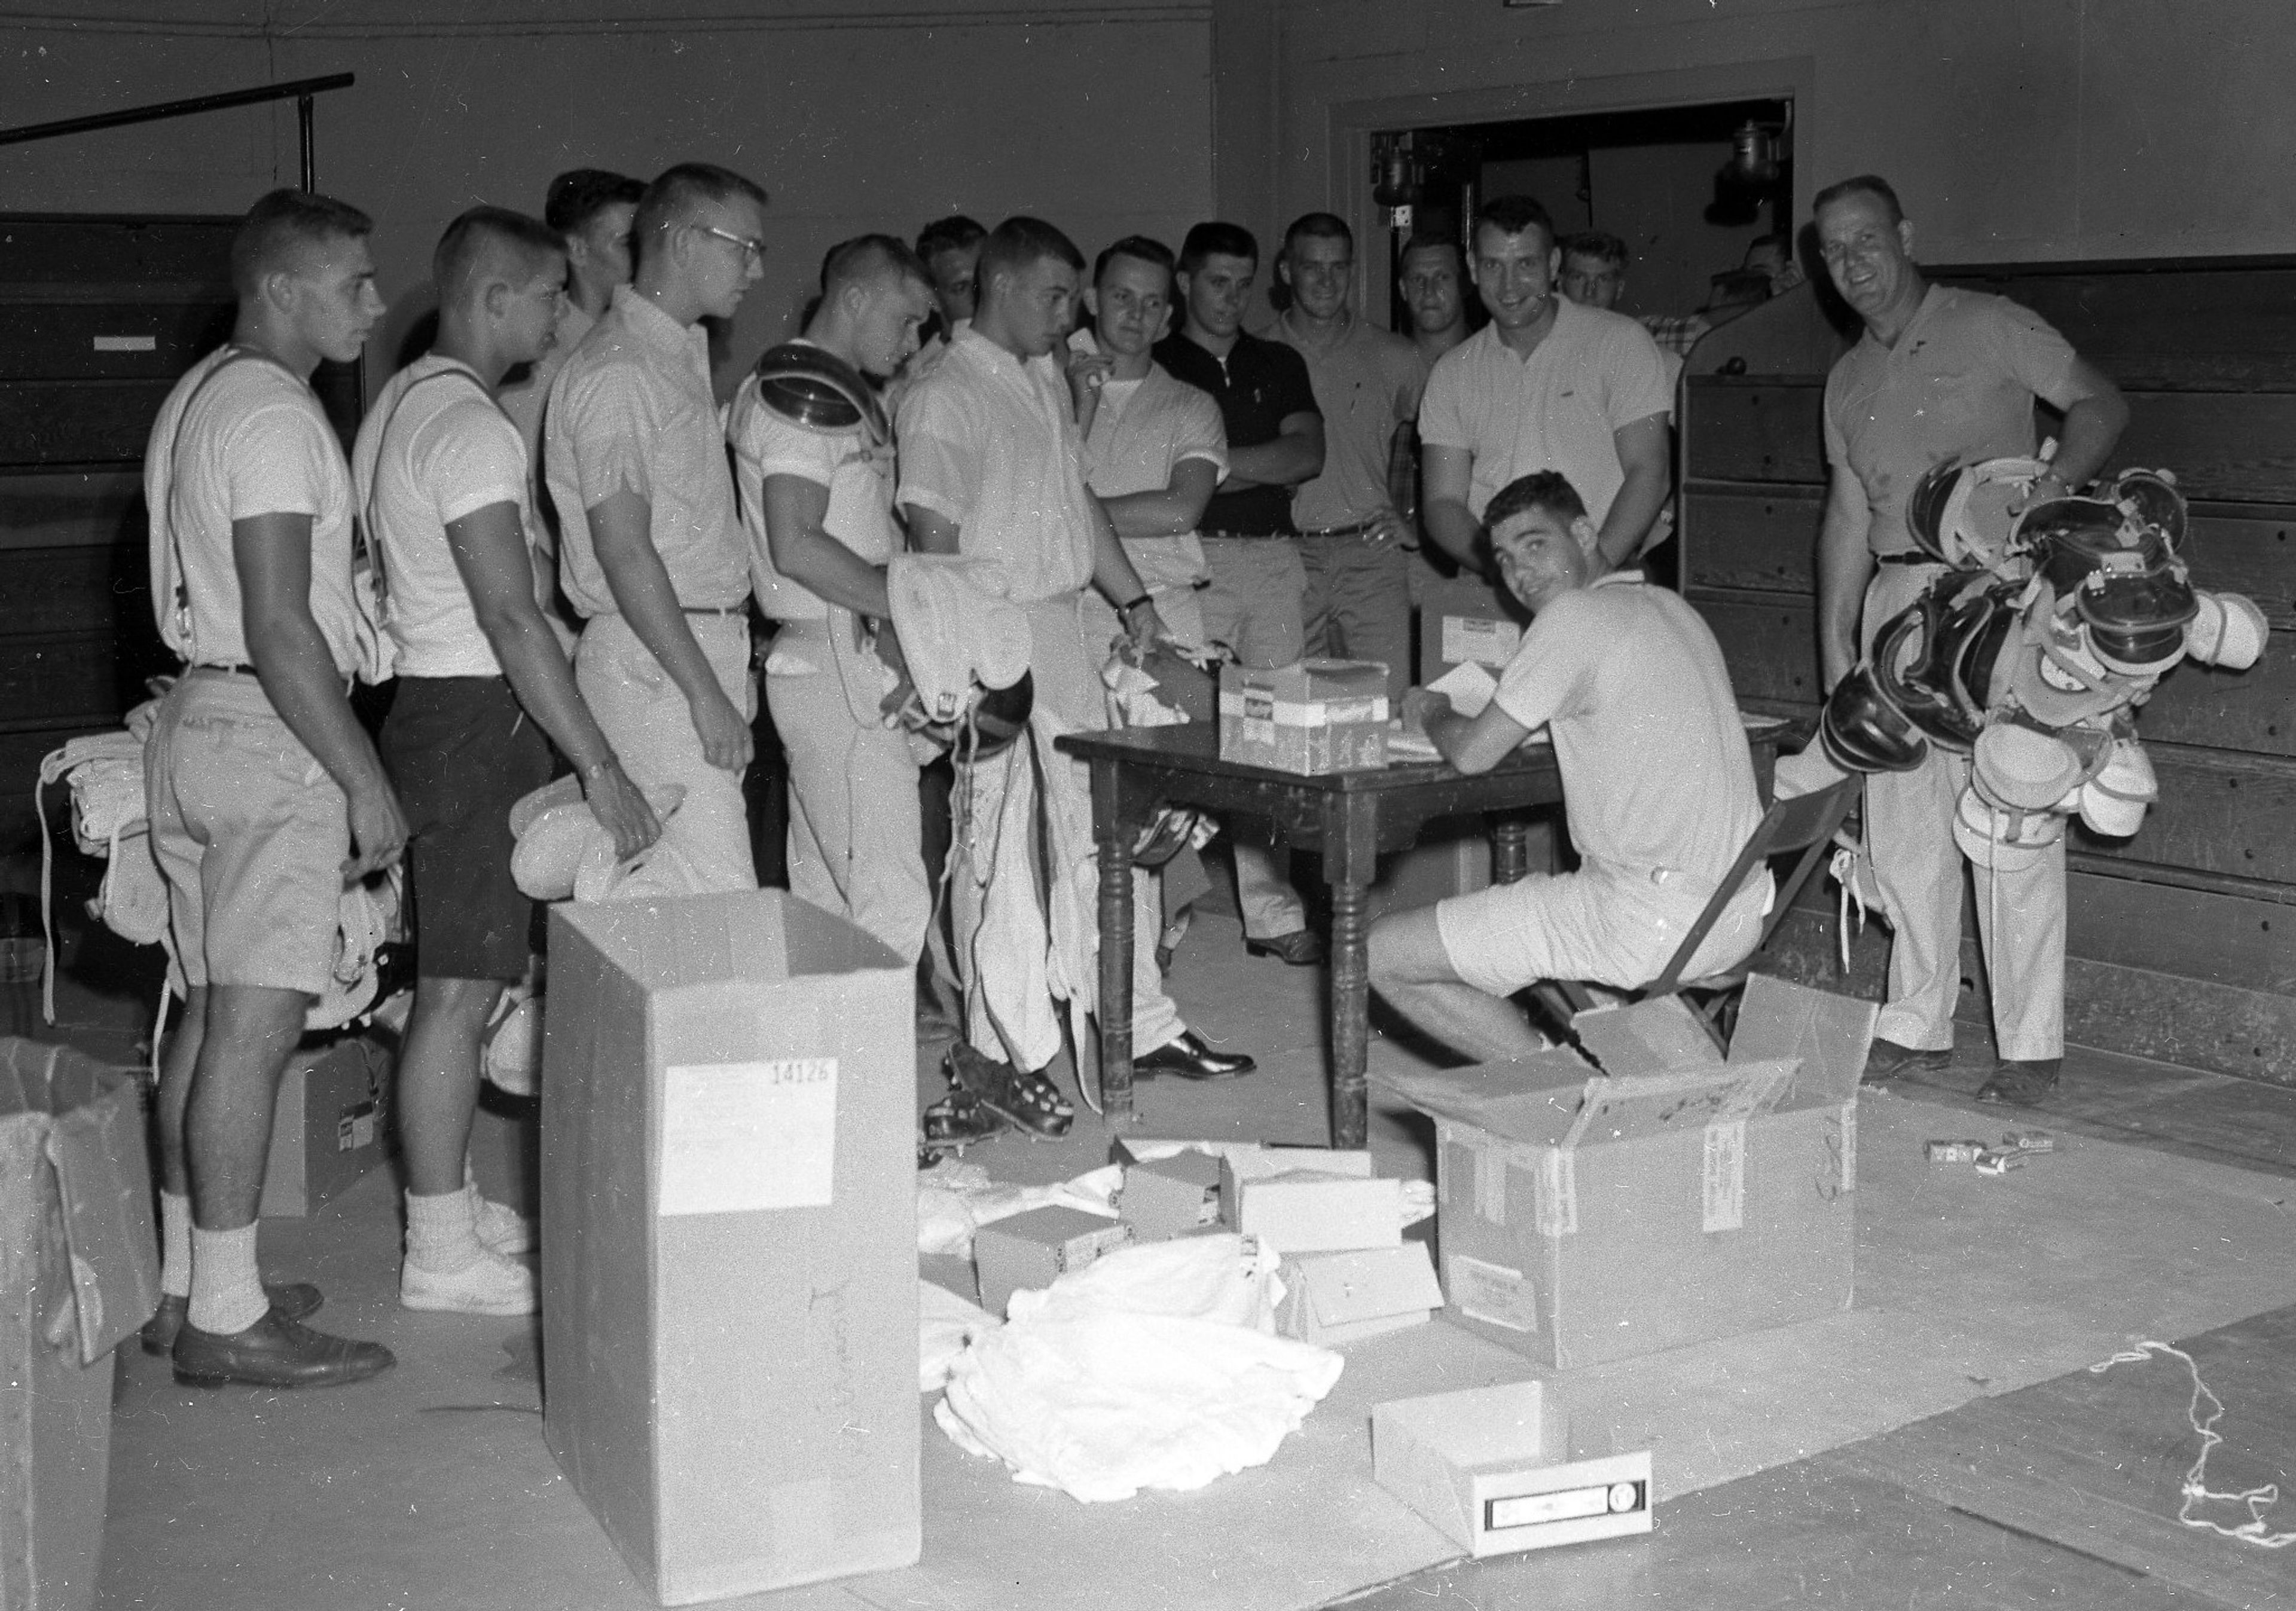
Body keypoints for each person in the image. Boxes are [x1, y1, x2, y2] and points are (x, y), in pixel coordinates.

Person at [356, 207, 659, 1317]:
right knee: (459, 990)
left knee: (465, 982)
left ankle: (451, 1199)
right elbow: (513, 618)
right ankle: (437, 1249)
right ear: (495, 300)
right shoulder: (474, 430)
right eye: (547, 296)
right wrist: (601, 767)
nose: (561, 315)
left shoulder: (402, 401)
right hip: (474, 715)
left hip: (439, 707)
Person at [138, 189, 402, 1387]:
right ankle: (228, 1321)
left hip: (197, 715)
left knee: (207, 1008)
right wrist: (364, 777)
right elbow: (287, 625)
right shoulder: (279, 418)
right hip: (268, 723)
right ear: (283, 288)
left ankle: (193, 1281)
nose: (374, 303)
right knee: (254, 1018)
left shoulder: (199, 395)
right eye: (352, 282)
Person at [1813, 174, 2129, 1106]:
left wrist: (2048, 492)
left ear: (1905, 234)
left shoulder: (1990, 323)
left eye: (1866, 241)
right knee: (1903, 827)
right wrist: (1838, 644)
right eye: (1832, 252)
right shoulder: (1844, 378)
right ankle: (1915, 1019)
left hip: (1997, 597)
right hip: (1895, 602)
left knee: (2013, 808)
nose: (1851, 265)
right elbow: (1842, 515)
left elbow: (2102, 403)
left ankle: (2030, 1046)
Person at [896, 216, 1173, 1130]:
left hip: (1062, 624)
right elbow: (933, 547)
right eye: (1056, 296)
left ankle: (1126, 1025)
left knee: (1100, 836)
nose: (1071, 315)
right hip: (992, 634)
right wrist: (963, 666)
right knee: (997, 857)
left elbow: (1076, 499)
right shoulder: (942, 392)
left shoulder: (1046, 374)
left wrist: (1134, 601)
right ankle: (1000, 1055)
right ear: (1001, 287)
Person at [1367, 472, 1766, 1062]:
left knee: (1382, 953)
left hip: (1651, 922)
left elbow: (1474, 753)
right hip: (1736, 913)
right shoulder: (1668, 604)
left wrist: (1433, 709)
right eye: (1504, 559)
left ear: (1583, 532)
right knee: (1538, 908)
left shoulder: (1573, 617)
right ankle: (1635, 1067)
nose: (1521, 576)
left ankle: (1560, 1090)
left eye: (1535, 545)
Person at [545, 162, 769, 892]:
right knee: (714, 897)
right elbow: (623, 550)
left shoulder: (667, 355)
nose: (756, 270)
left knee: (683, 902)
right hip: (659, 662)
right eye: (745, 247)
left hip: (683, 651)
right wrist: (705, 693)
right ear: (681, 242)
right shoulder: (624, 370)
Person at [1065, 234, 1255, 1081]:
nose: (1135, 315)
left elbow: (1181, 508)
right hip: (1062, 620)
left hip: (1158, 623)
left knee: (1147, 832)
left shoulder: (1188, 405)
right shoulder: (1051, 384)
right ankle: (1089, 1018)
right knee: (1066, 829)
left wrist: (1073, 516)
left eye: (1152, 302)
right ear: (1089, 299)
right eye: (1119, 298)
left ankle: (1143, 1018)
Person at [729, 234, 935, 962]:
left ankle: (835, 1072)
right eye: (906, 320)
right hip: (833, 659)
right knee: (889, 897)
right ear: (854, 299)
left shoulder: (831, 389)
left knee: (829, 897)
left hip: (833, 654)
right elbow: (798, 541)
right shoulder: (795, 400)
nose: (913, 343)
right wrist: (910, 607)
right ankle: (876, 1077)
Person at [1153, 221, 1327, 965]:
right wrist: (1256, 465)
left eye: (1243, 282)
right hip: (1189, 561)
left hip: (1270, 560)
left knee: (1273, 741)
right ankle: (1162, 914)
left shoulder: (1277, 360)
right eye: (1216, 281)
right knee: (1176, 737)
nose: (1231, 297)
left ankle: (1273, 913)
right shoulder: (1158, 364)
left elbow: (1308, 454)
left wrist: (1213, 464)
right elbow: (1179, 484)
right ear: (1187, 282)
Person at [1421, 197, 1672, 573]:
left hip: (1603, 575)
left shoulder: (1620, 343)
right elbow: (1442, 502)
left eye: (1526, 263)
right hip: (1495, 584)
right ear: (1473, 268)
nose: (1509, 286)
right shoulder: (1452, 372)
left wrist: (1593, 569)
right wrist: (1506, 571)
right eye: (1493, 265)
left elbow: (1650, 469)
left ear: (1553, 264)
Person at [1271, 213, 1424, 705]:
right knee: (1295, 709)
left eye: (1339, 267)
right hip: (1288, 557)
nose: (1326, 280)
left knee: (1389, 704)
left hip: (1371, 556)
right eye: (1312, 266)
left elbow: (1453, 446)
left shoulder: (1395, 355)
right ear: (1286, 271)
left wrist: (1417, 524)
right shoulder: (1260, 353)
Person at [496, 169, 645, 484]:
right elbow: (532, 484)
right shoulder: (539, 353)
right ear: (576, 250)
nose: (645, 259)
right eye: (628, 243)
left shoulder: (634, 336)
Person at [915, 213, 985, 348]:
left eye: (985, 279)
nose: (981, 296)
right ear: (934, 299)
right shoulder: (931, 368)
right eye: (961, 288)